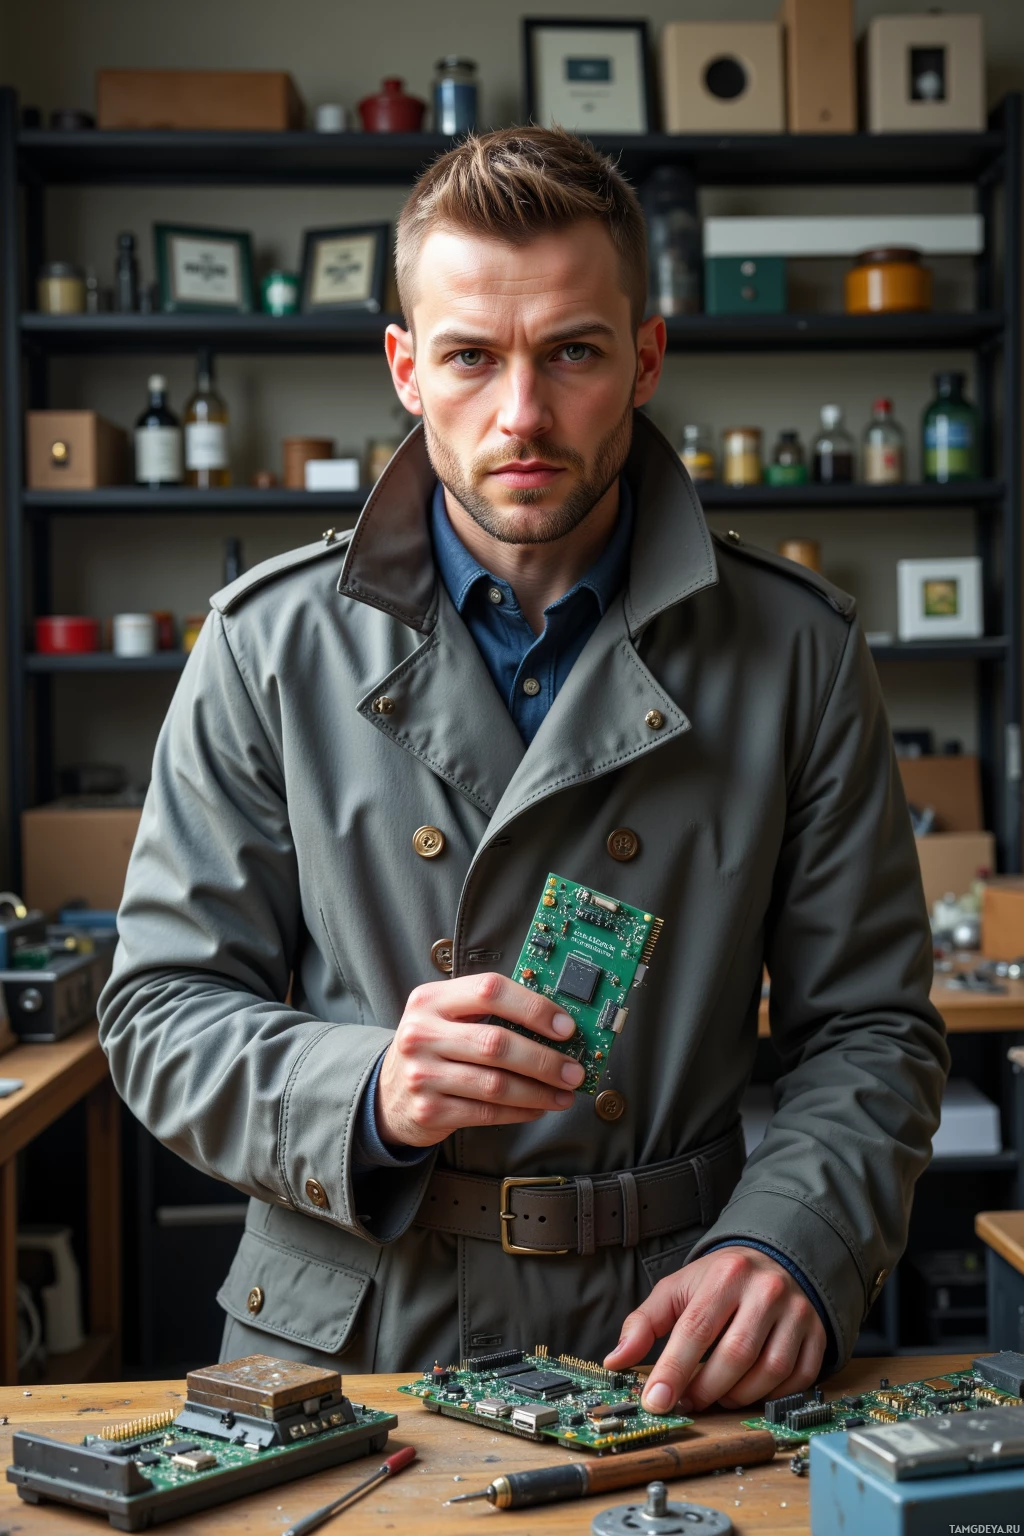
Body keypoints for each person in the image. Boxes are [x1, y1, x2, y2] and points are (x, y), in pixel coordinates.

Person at [98, 127, 948, 1416]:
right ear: (405, 368)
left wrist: (791, 1246)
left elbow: (872, 1030)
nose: (523, 415)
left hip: (669, 1336)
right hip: (351, 1344)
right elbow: (159, 1011)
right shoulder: (263, 644)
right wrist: (369, 1088)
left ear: (645, 358)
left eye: (573, 353)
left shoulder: (799, 650)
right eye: (471, 357)